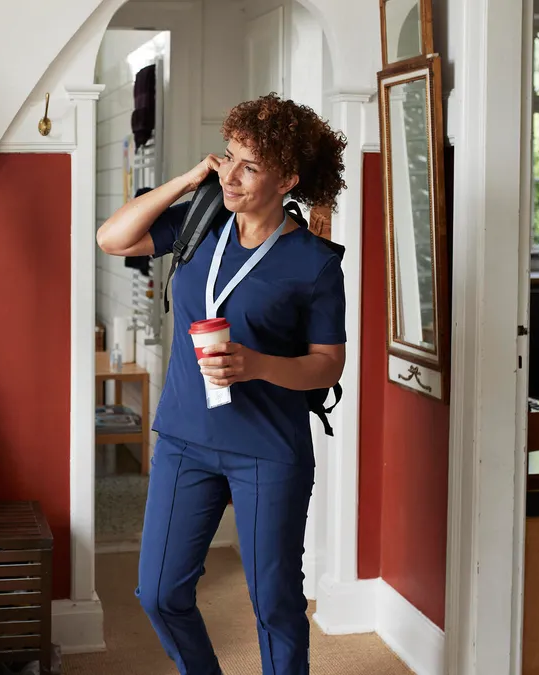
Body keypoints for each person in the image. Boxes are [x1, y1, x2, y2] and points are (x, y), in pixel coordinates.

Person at [96, 93, 349, 675]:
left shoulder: (314, 262)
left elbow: (327, 364)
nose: (231, 175)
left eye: (250, 166)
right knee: (159, 593)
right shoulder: (200, 220)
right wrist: (189, 181)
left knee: (275, 604)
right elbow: (112, 238)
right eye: (229, 156)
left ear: (287, 180)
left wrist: (257, 365)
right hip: (185, 438)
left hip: (268, 447)